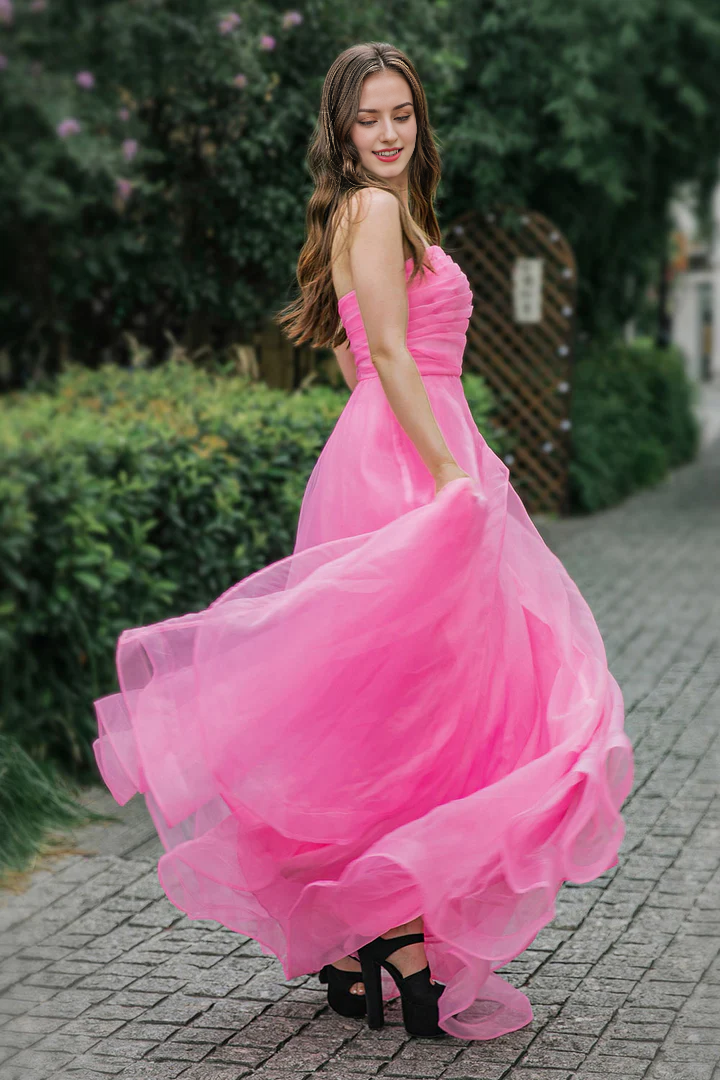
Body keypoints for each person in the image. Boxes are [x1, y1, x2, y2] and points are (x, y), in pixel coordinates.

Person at [93, 42, 634, 1042]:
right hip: (413, 463)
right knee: (427, 705)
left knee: (388, 708)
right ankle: (402, 942)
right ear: (341, 131)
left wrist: (423, 440)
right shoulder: (378, 211)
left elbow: (354, 361)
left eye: (402, 116)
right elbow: (384, 352)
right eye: (368, 119)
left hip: (384, 446)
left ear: (419, 121)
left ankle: (369, 941)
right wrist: (447, 473)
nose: (388, 134)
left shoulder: (365, 213)